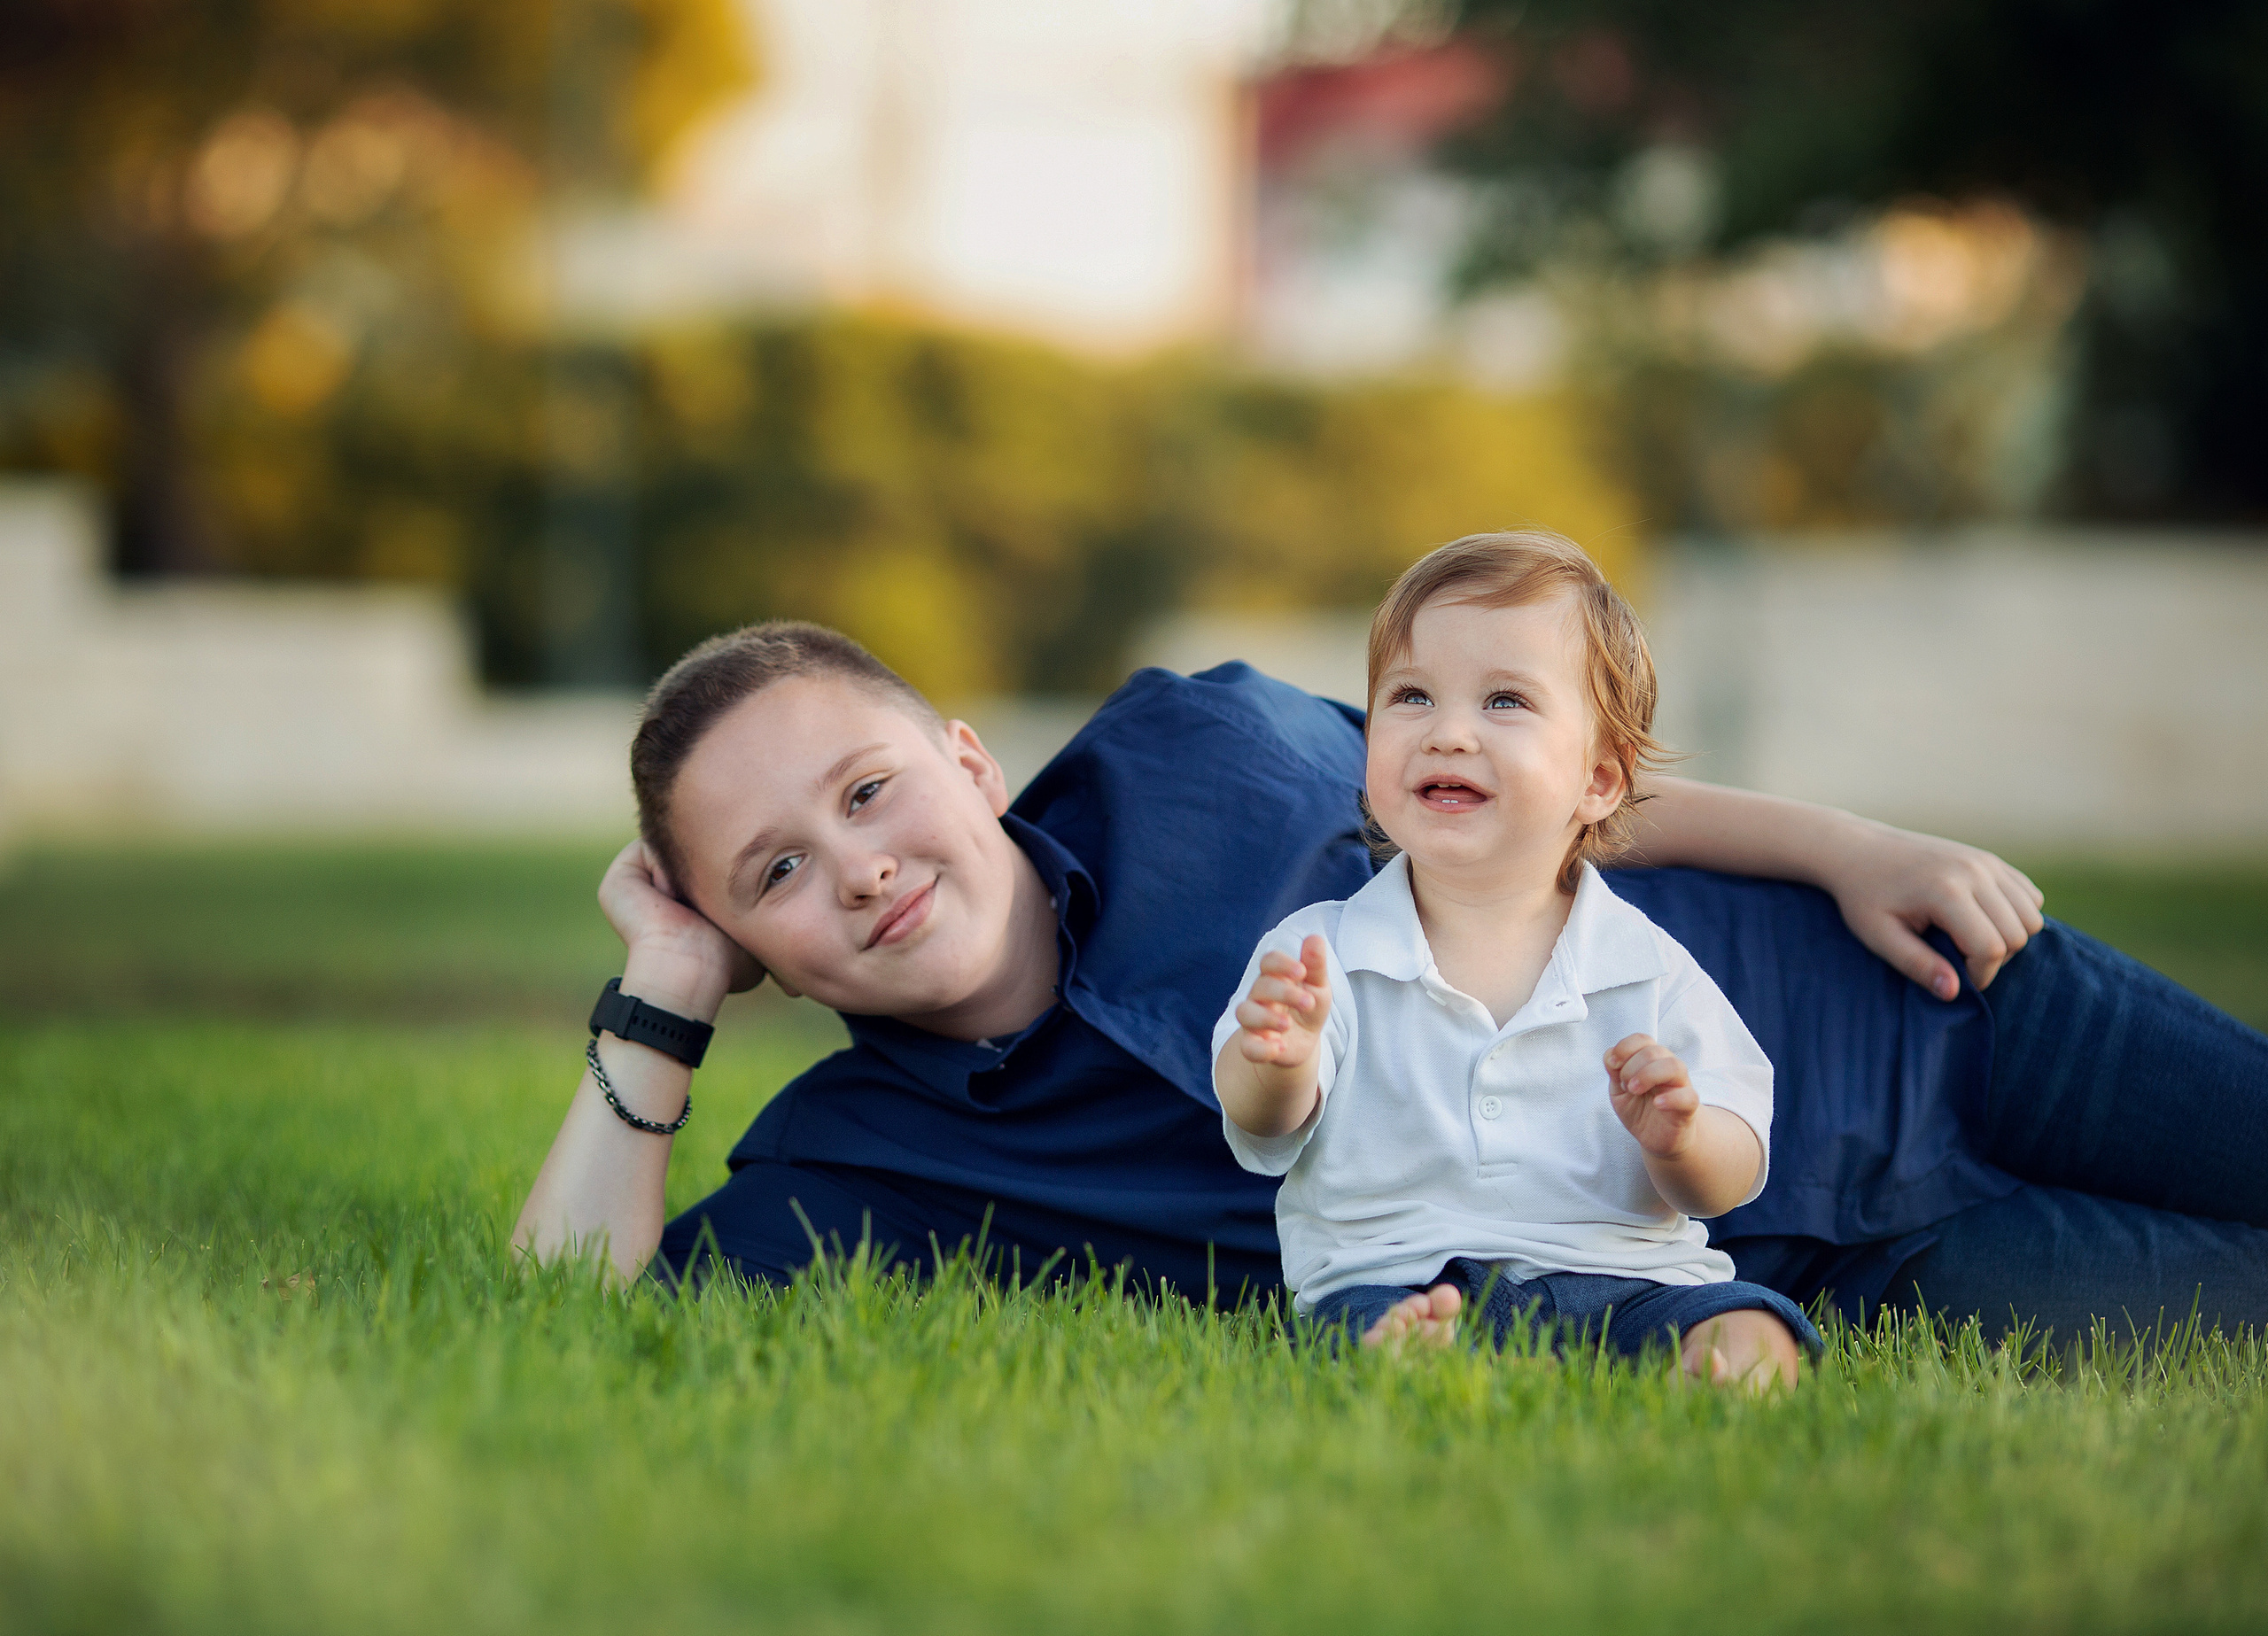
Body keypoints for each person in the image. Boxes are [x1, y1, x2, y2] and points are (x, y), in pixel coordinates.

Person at [514, 601, 2268, 1342]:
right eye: (773, 875)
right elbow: (560, 1313)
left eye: (869, 789)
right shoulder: (862, 1167)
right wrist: (660, 984)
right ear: (751, 941)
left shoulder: (1189, 747)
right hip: (1845, 1256)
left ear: (968, 762)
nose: (860, 865)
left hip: (1911, 1013)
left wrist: (1848, 848)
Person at [1214, 531, 1817, 1386]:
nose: (1448, 733)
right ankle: (1408, 1357)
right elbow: (1261, 1119)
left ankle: (1721, 1387)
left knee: (1752, 1325)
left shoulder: (1644, 966)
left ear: (1598, 781)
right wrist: (1277, 1056)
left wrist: (1679, 1136)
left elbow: (1730, 1174)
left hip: (1627, 1282)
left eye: (1504, 702)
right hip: (1402, 1273)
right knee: (1367, 1323)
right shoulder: (1324, 951)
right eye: (1412, 696)